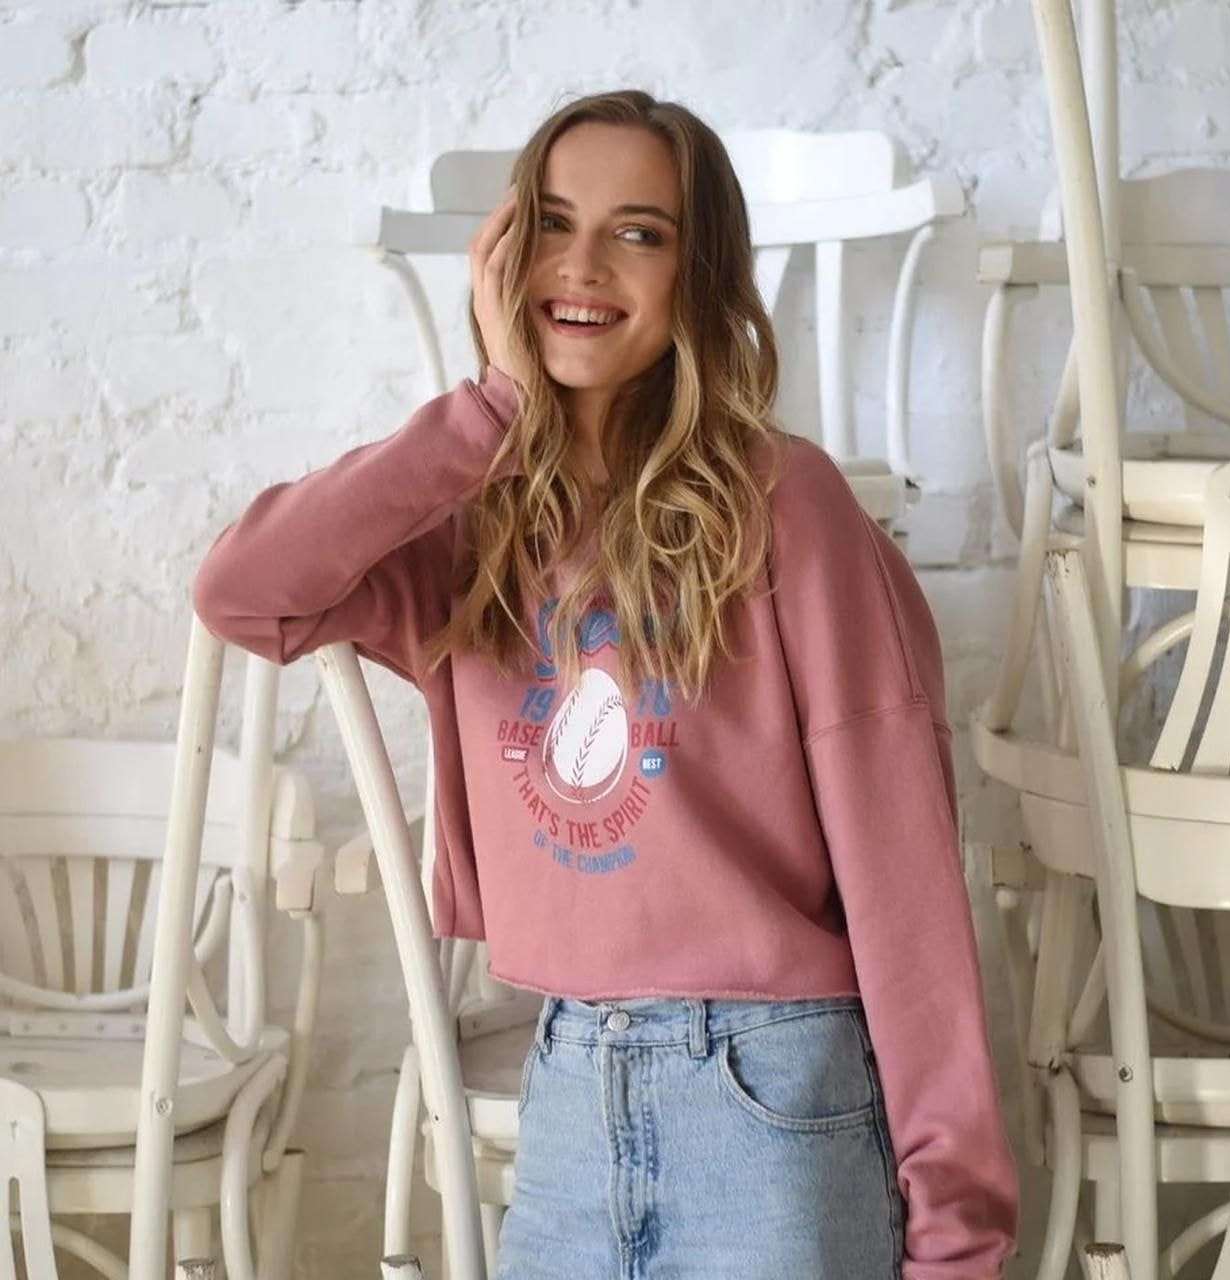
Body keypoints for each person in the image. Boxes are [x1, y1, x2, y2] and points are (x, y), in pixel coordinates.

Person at [193, 89, 1018, 1279]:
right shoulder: (468, 529)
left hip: (772, 1094)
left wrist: (957, 1235)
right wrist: (492, 406)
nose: (580, 264)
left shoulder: (786, 505)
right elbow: (243, 590)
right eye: (551, 221)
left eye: (637, 230)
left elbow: (907, 889)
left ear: (698, 275)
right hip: (570, 1097)